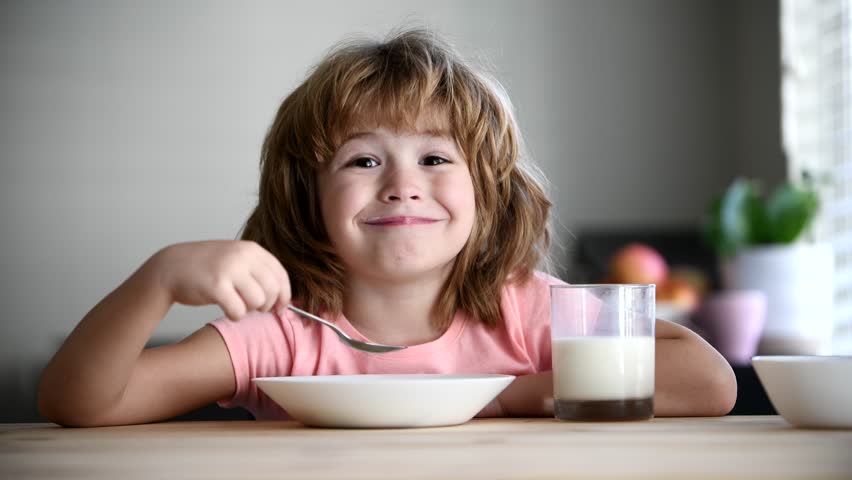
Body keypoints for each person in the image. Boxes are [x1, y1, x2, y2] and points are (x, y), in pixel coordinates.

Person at [38, 28, 736, 426]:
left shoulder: (522, 311)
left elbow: (709, 385)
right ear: (306, 195)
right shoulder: (285, 334)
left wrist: (516, 391)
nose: (403, 183)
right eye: (364, 159)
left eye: (435, 157)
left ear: (487, 194)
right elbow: (80, 403)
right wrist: (158, 277)